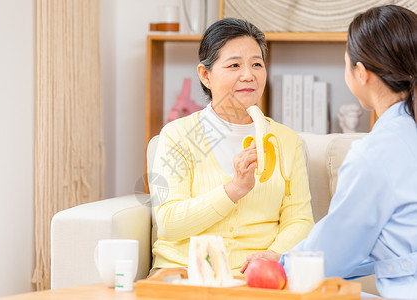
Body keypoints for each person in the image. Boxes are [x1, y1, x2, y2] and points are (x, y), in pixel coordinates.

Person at [242, 5, 417, 299]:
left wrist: (282, 264)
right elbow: (378, 246)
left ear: (360, 73)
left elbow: (337, 247)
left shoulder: (375, 154)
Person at [150, 18, 314, 276]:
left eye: (257, 64)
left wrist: (273, 255)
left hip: (254, 276)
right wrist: (234, 189)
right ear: (205, 76)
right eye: (234, 65)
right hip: (184, 273)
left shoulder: (286, 140)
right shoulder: (179, 136)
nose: (248, 75)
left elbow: (300, 219)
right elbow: (169, 223)